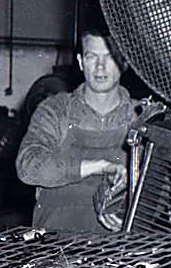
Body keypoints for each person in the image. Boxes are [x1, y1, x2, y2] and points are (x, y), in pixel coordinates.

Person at [16, 30, 139, 232]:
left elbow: (160, 187)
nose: (100, 66)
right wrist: (97, 166)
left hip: (117, 248)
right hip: (54, 244)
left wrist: (128, 210)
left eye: (109, 57)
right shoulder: (56, 110)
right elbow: (28, 166)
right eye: (92, 56)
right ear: (81, 62)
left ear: (124, 62)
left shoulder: (139, 116)